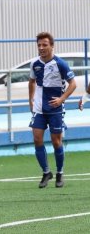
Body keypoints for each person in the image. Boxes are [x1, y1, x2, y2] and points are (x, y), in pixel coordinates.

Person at [28, 32, 76, 189]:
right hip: (39, 108)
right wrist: (31, 99)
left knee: (56, 142)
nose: (41, 48)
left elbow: (73, 84)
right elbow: (32, 82)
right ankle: (46, 172)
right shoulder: (34, 63)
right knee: (37, 138)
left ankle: (60, 172)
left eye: (44, 45)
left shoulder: (60, 64)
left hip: (55, 108)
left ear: (51, 46)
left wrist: (62, 99)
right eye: (39, 45)